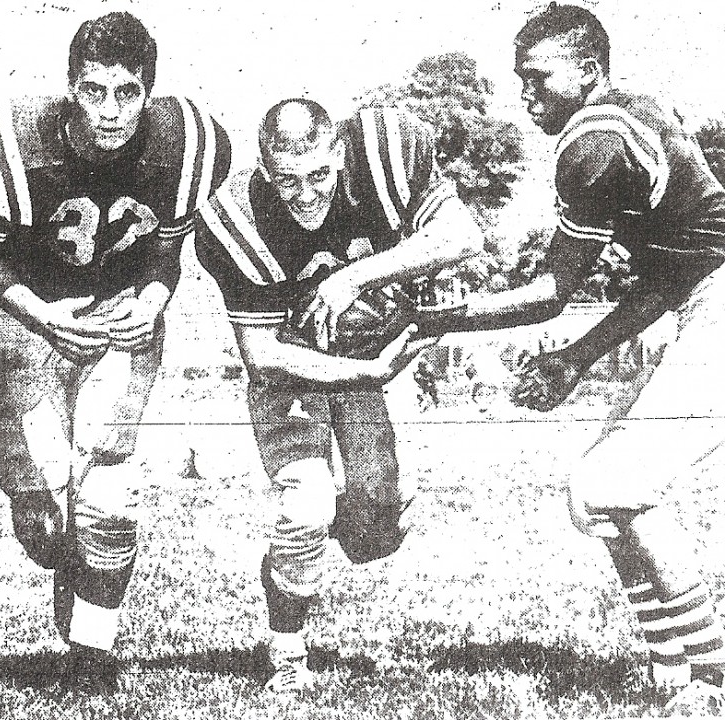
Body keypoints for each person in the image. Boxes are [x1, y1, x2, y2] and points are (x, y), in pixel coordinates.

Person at [423, 4, 725, 709]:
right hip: (700, 296)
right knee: (591, 496)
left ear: (589, 70)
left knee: (618, 486)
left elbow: (554, 291)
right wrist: (578, 359)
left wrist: (433, 316)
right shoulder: (631, 112)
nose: (526, 97)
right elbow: (673, 276)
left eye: (538, 78)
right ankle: (672, 671)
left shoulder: (592, 144)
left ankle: (714, 682)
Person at [0, 11, 231, 692]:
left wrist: (152, 303)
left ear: (151, 90)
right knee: (43, 521)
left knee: (108, 493)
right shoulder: (10, 141)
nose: (110, 110)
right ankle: (71, 568)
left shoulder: (188, 144)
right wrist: (41, 315)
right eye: (94, 89)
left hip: (120, 315)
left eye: (128, 91)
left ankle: (92, 653)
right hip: (29, 316)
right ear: (68, 87)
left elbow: (168, 254)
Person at [195, 98, 482, 692]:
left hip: (365, 349)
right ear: (263, 169)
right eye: (287, 180)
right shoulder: (233, 217)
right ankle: (287, 654)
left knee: (377, 530)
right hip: (296, 370)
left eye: (319, 175)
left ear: (340, 154)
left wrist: (352, 277)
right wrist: (363, 375)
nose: (305, 195)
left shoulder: (383, 150)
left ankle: (343, 528)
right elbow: (262, 355)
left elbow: (462, 235)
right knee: (306, 508)